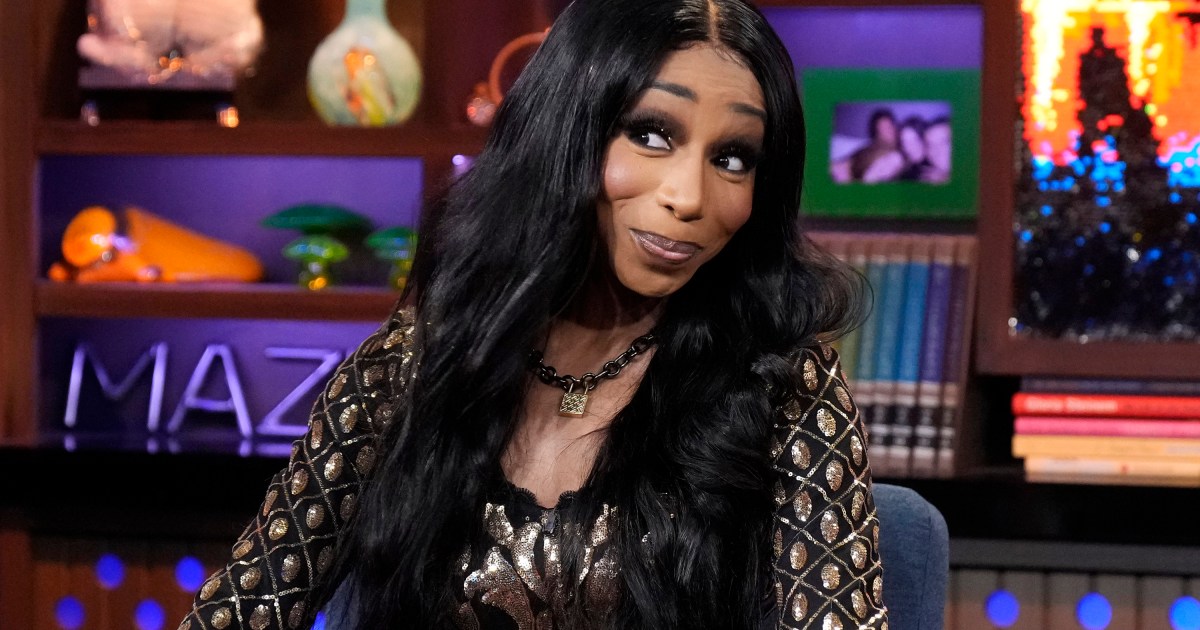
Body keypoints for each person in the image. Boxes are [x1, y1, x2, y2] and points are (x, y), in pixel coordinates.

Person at [178, 0, 887, 628]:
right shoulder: (413, 367)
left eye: (733, 158)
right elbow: (243, 608)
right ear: (566, 131)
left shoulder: (783, 385)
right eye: (650, 133)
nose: (690, 197)